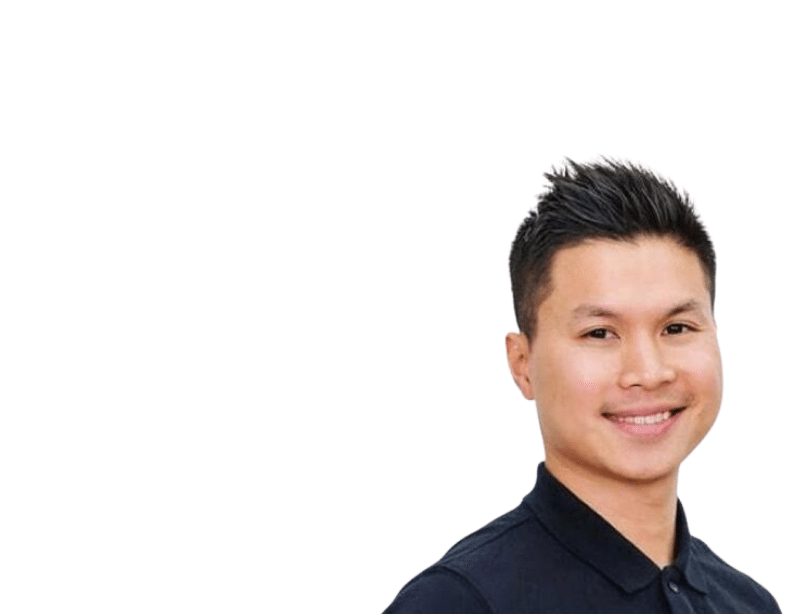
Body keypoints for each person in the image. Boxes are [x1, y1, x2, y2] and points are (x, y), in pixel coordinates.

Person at [382, 160, 782, 613]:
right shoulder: (458, 602)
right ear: (522, 364)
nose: (648, 372)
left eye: (676, 328)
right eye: (600, 333)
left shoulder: (748, 603)